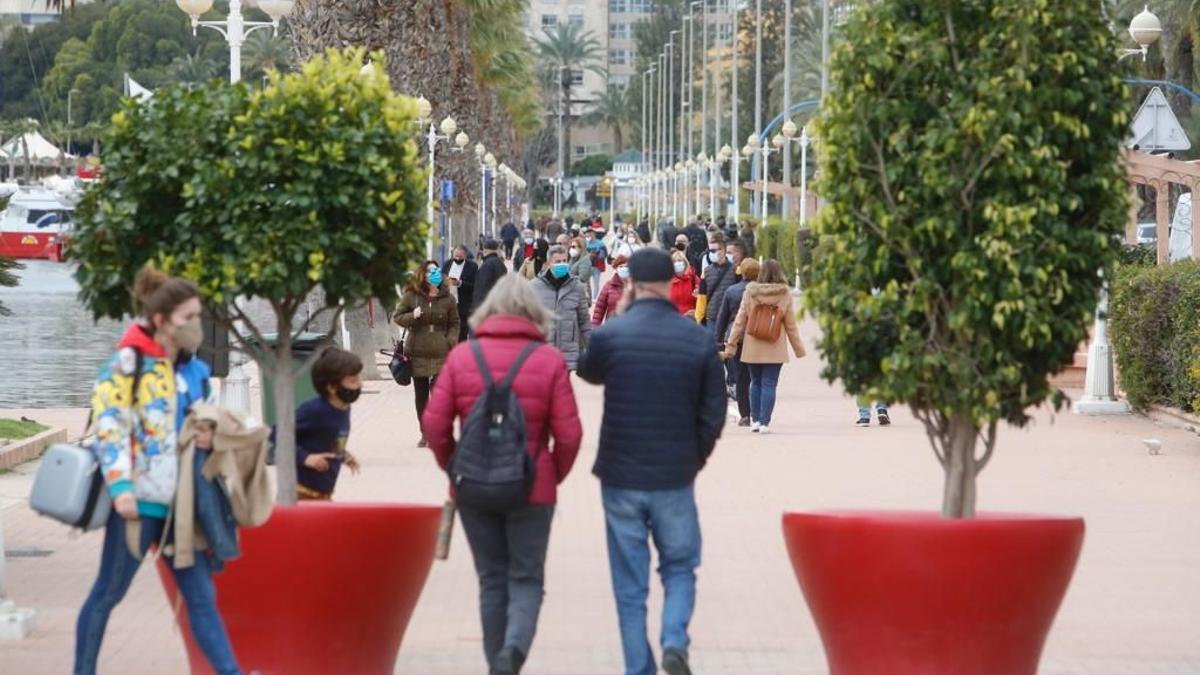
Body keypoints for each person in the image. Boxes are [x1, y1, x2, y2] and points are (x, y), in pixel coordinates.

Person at [76, 266, 241, 675]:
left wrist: (211, 434)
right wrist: (122, 489)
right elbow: (109, 428)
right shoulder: (126, 365)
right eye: (188, 318)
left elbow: (201, 421)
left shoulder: (193, 372)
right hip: (139, 504)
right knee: (109, 593)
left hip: (183, 505)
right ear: (162, 320)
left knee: (201, 597)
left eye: (198, 316)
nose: (195, 326)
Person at [423, 275, 583, 675]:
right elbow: (569, 434)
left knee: (492, 580)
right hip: (532, 487)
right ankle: (514, 651)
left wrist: (455, 468)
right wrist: (551, 475)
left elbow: (435, 426)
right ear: (534, 312)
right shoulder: (548, 360)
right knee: (526, 578)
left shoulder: (462, 357)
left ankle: (498, 663)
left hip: (473, 487)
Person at [577, 248, 726, 675]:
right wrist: (694, 456)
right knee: (679, 566)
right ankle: (674, 640)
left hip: (620, 475)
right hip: (675, 474)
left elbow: (588, 370)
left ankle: (638, 668)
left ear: (633, 285)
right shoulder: (696, 338)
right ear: (670, 283)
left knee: (630, 584)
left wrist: (621, 315)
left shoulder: (613, 336)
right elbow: (713, 412)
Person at [723, 260, 806, 434]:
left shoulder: (750, 292)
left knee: (755, 382)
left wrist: (731, 344)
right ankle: (765, 423)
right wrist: (799, 349)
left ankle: (755, 419)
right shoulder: (784, 294)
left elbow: (739, 320)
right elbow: (791, 325)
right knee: (769, 383)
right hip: (774, 345)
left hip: (752, 343)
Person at [394, 260, 461, 447]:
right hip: (417, 350)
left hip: (441, 351)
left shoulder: (448, 298)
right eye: (431, 271)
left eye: (437, 270)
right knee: (421, 395)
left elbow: (455, 322)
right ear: (422, 274)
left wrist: (450, 341)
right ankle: (425, 433)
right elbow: (397, 317)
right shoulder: (412, 296)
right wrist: (411, 316)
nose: (435, 273)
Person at [294, 347, 363, 500]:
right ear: (332, 387)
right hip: (301, 494)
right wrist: (305, 458)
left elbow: (328, 437)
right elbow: (278, 436)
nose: (359, 385)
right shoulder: (313, 410)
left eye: (359, 378)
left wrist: (342, 454)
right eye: (353, 381)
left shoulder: (344, 408)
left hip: (324, 494)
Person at [714, 258, 762, 427]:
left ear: (741, 271)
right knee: (757, 377)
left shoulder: (732, 291)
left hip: (737, 336)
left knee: (741, 377)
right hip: (758, 336)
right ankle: (759, 413)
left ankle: (745, 415)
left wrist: (718, 338)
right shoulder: (762, 291)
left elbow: (723, 317)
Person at [531, 245, 592, 369]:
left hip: (568, 353)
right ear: (549, 263)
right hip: (542, 351)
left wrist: (592, 348)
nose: (562, 264)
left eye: (564, 261)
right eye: (558, 262)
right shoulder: (534, 287)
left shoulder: (577, 287)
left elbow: (584, 321)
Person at [695, 233, 737, 327]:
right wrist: (698, 319)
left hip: (729, 317)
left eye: (714, 250)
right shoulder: (706, 272)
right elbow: (702, 297)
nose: (711, 253)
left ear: (723, 250)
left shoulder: (736, 270)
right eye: (710, 250)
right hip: (711, 318)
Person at [443, 245, 479, 343]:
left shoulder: (472, 267)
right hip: (448, 302)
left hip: (464, 304)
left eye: (460, 257)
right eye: (456, 256)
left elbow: (475, 285)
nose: (457, 258)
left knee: (462, 330)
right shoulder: (447, 264)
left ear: (465, 256)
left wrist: (460, 283)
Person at [592, 255, 629, 326]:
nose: (624, 269)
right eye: (621, 267)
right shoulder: (609, 285)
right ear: (616, 268)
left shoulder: (636, 287)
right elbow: (599, 309)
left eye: (626, 267)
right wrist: (594, 327)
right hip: (612, 327)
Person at [474, 236, 509, 309]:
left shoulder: (487, 265)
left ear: (485, 250)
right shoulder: (500, 263)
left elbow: (482, 287)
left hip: (487, 305)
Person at [668, 250, 700, 316]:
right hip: (673, 318)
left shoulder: (694, 279)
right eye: (675, 261)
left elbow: (702, 300)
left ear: (685, 263)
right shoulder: (667, 281)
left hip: (690, 319)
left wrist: (696, 311)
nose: (677, 263)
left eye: (680, 261)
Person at [567, 236, 593, 304]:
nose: (571, 249)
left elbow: (583, 278)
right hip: (572, 293)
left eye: (573, 247)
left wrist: (567, 278)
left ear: (581, 248)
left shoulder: (585, 260)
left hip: (582, 295)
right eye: (571, 247)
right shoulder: (573, 259)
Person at [584, 228, 608, 297]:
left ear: (593, 234)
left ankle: (594, 298)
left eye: (589, 235)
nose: (588, 237)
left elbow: (605, 254)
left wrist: (598, 254)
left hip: (597, 266)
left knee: (596, 283)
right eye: (586, 236)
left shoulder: (600, 243)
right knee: (586, 283)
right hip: (587, 266)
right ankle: (588, 296)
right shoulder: (584, 243)